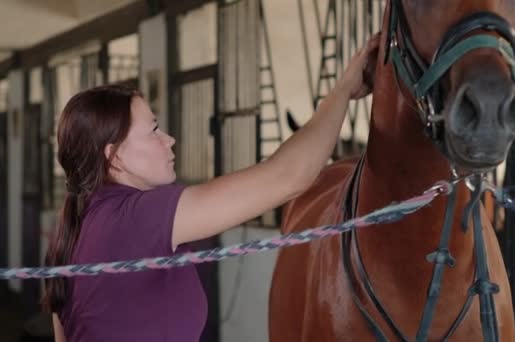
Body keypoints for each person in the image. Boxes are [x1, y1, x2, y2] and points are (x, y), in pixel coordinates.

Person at [43, 34, 380, 342]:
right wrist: (344, 90)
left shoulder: (73, 228)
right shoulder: (137, 217)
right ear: (114, 156)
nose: (169, 140)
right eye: (154, 130)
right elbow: (289, 176)